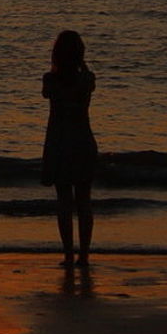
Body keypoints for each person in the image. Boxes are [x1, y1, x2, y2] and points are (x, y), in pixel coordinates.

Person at [42, 29, 97, 267]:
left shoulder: (50, 81)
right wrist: (82, 65)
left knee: (64, 200)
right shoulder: (87, 79)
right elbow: (85, 83)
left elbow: (49, 94)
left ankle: (67, 253)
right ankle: (83, 255)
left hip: (59, 142)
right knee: (84, 201)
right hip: (83, 140)